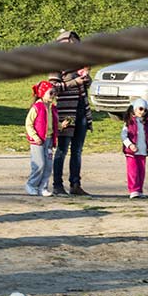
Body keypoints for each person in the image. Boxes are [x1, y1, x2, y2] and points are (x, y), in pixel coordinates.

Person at [50, 29, 92, 196]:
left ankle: (75, 185)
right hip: (66, 112)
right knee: (62, 149)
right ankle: (57, 185)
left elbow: (84, 85)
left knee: (77, 150)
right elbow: (52, 89)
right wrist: (74, 82)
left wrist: (87, 80)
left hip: (82, 110)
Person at [25, 81, 59, 197]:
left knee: (49, 165)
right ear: (42, 93)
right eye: (50, 93)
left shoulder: (53, 108)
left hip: (49, 140)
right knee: (39, 164)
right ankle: (31, 185)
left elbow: (53, 123)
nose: (53, 95)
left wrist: (61, 126)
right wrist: (35, 137)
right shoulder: (37, 107)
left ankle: (43, 187)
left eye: (54, 93)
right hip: (38, 141)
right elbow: (28, 124)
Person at [121, 97, 148, 199]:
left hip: (142, 151)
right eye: (140, 109)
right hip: (131, 152)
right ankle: (133, 190)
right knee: (133, 171)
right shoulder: (129, 123)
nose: (143, 112)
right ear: (134, 109)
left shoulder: (147, 123)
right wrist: (130, 145)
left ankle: (139, 189)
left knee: (141, 171)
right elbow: (123, 136)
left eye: (145, 110)